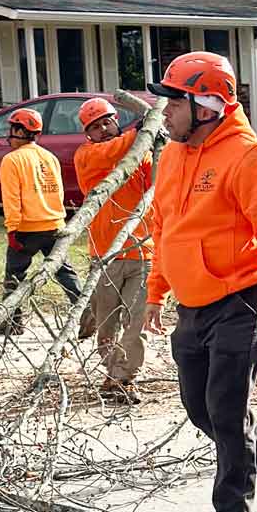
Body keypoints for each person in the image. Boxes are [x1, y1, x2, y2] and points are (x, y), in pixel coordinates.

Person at [142, 51, 257, 512]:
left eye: (174, 100)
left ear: (209, 105)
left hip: (243, 301)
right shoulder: (172, 154)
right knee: (202, 410)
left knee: (227, 411)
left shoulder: (247, 157)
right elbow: (165, 228)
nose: (164, 110)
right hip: (192, 306)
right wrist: (155, 291)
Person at [74, 97, 153, 404]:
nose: (104, 130)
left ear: (115, 120)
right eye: (96, 127)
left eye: (107, 122)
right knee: (107, 323)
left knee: (136, 324)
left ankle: (124, 377)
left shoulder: (137, 156)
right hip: (106, 255)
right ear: (87, 134)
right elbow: (113, 150)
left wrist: (152, 139)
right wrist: (140, 130)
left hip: (142, 252)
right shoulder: (88, 156)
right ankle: (111, 372)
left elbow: (159, 178)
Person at [0, 107, 84, 335]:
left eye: (12, 129)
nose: (9, 135)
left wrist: (12, 230)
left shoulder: (11, 160)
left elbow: (12, 199)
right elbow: (58, 193)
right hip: (55, 225)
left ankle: (11, 322)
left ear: (20, 130)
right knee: (65, 272)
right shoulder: (50, 157)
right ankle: (85, 312)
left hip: (26, 230)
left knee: (15, 275)